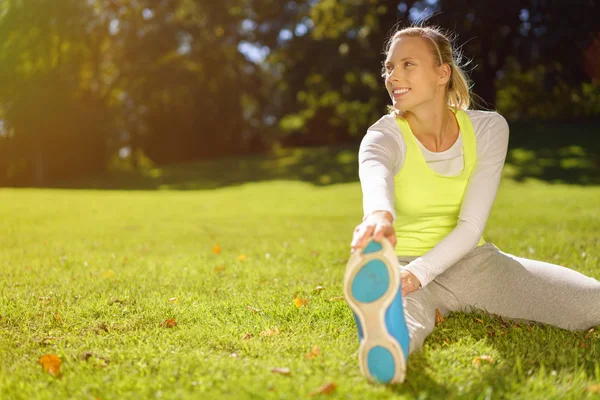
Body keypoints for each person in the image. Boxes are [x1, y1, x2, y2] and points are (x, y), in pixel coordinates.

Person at [343, 25, 600, 385]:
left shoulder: (488, 129)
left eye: (407, 64)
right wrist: (379, 216)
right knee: (405, 326)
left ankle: (391, 313)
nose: (392, 76)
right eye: (388, 67)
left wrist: (420, 274)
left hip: (472, 263)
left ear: (442, 73)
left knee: (593, 301)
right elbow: (375, 175)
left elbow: (471, 226)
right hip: (400, 267)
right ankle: (387, 341)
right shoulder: (383, 135)